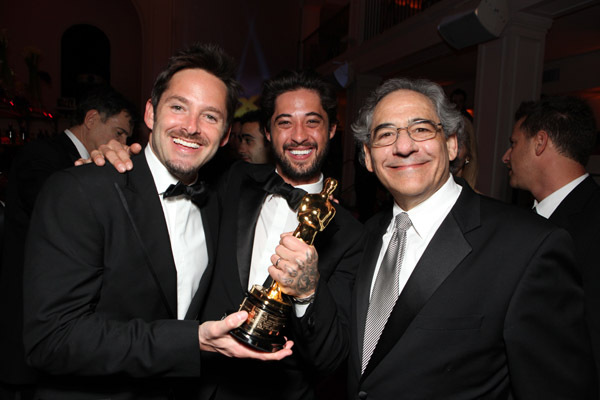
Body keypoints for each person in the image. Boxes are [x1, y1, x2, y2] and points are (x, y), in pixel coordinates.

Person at [21, 43, 292, 400]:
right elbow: (50, 339)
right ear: (150, 114)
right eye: (178, 107)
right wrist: (190, 341)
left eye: (210, 116)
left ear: (225, 134)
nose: (191, 127)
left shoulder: (214, 204)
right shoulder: (80, 190)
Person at [95, 69, 365, 400]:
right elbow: (172, 163)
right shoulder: (234, 178)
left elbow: (330, 357)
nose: (298, 136)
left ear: (332, 129)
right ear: (267, 132)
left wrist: (308, 291)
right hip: (196, 383)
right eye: (284, 122)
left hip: (279, 392)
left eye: (312, 122)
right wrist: (115, 157)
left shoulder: (350, 234)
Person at [342, 77, 595, 398]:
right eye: (385, 134)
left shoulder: (527, 246)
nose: (403, 146)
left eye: (421, 129)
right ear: (367, 156)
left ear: (451, 144)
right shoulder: (366, 236)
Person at [0, 85, 136, 399]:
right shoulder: (43, 156)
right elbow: (64, 221)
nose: (123, 143)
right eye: (119, 132)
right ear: (91, 119)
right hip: (32, 311)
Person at [502, 96, 600, 387]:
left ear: (540, 142)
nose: (506, 156)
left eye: (514, 143)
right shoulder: (520, 221)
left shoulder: (593, 225)